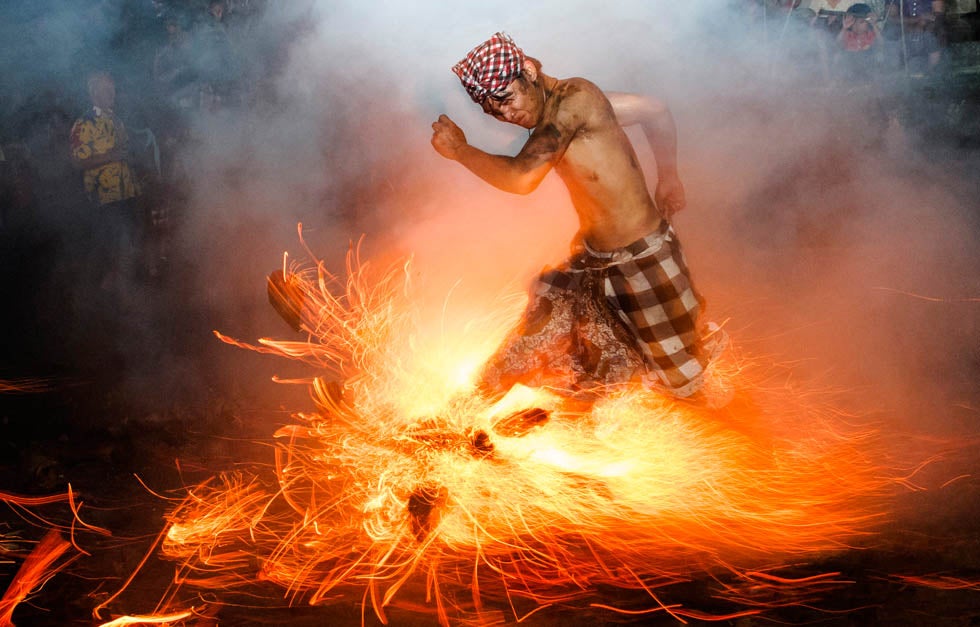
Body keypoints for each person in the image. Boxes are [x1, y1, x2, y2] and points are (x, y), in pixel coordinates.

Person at [431, 33, 723, 402]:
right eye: (492, 110)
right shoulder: (578, 109)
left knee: (683, 385)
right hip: (593, 263)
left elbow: (522, 179)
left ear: (529, 71)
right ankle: (462, 413)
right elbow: (654, 110)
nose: (505, 114)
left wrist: (460, 151)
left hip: (643, 262)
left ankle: (741, 446)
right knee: (540, 336)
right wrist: (668, 177)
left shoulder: (574, 100)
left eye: (506, 98)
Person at [69, 72, 141, 293]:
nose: (111, 94)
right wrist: (111, 157)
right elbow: (76, 161)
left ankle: (120, 297)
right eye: (105, 89)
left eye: (113, 89)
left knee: (127, 248)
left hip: (127, 194)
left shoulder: (116, 120)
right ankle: (100, 300)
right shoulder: (84, 123)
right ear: (93, 93)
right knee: (109, 251)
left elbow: (124, 154)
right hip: (103, 199)